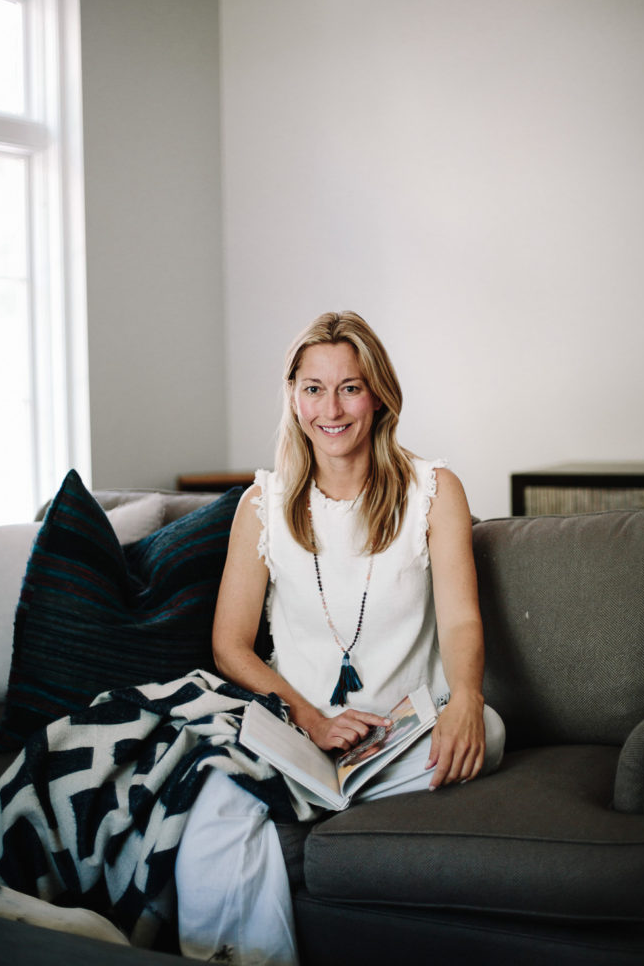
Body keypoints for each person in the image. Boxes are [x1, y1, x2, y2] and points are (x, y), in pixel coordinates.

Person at [175, 311, 505, 965]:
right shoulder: (261, 505)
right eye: (314, 388)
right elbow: (229, 645)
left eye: (350, 387)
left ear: (378, 394)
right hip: (300, 730)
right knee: (211, 802)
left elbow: (462, 618)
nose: (332, 408)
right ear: (293, 398)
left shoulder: (433, 491)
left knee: (486, 731)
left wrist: (465, 696)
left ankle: (329, 791)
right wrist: (310, 721)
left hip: (402, 733)